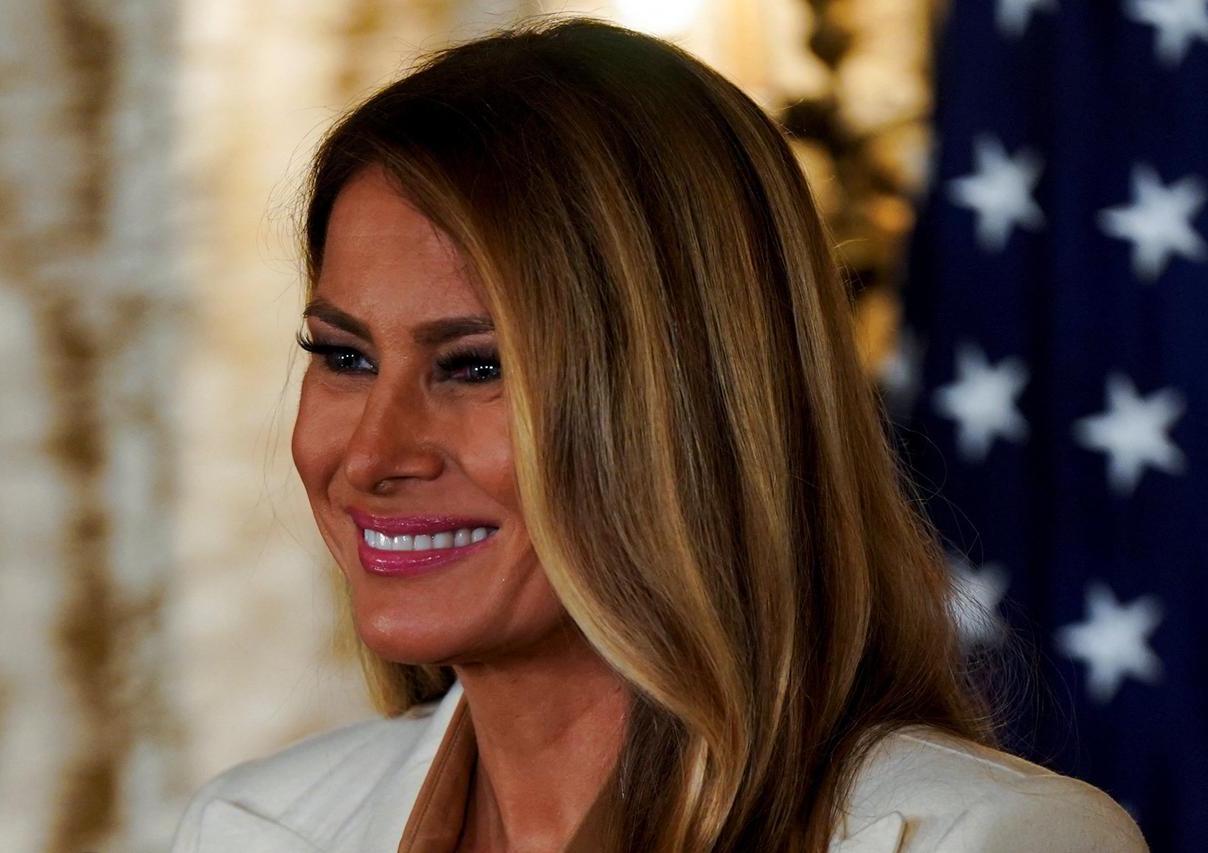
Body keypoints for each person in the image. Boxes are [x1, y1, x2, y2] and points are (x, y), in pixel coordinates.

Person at [170, 17, 1148, 853]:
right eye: (343, 356)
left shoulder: (987, 839)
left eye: (474, 366)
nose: (370, 457)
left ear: (687, 405)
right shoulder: (244, 828)